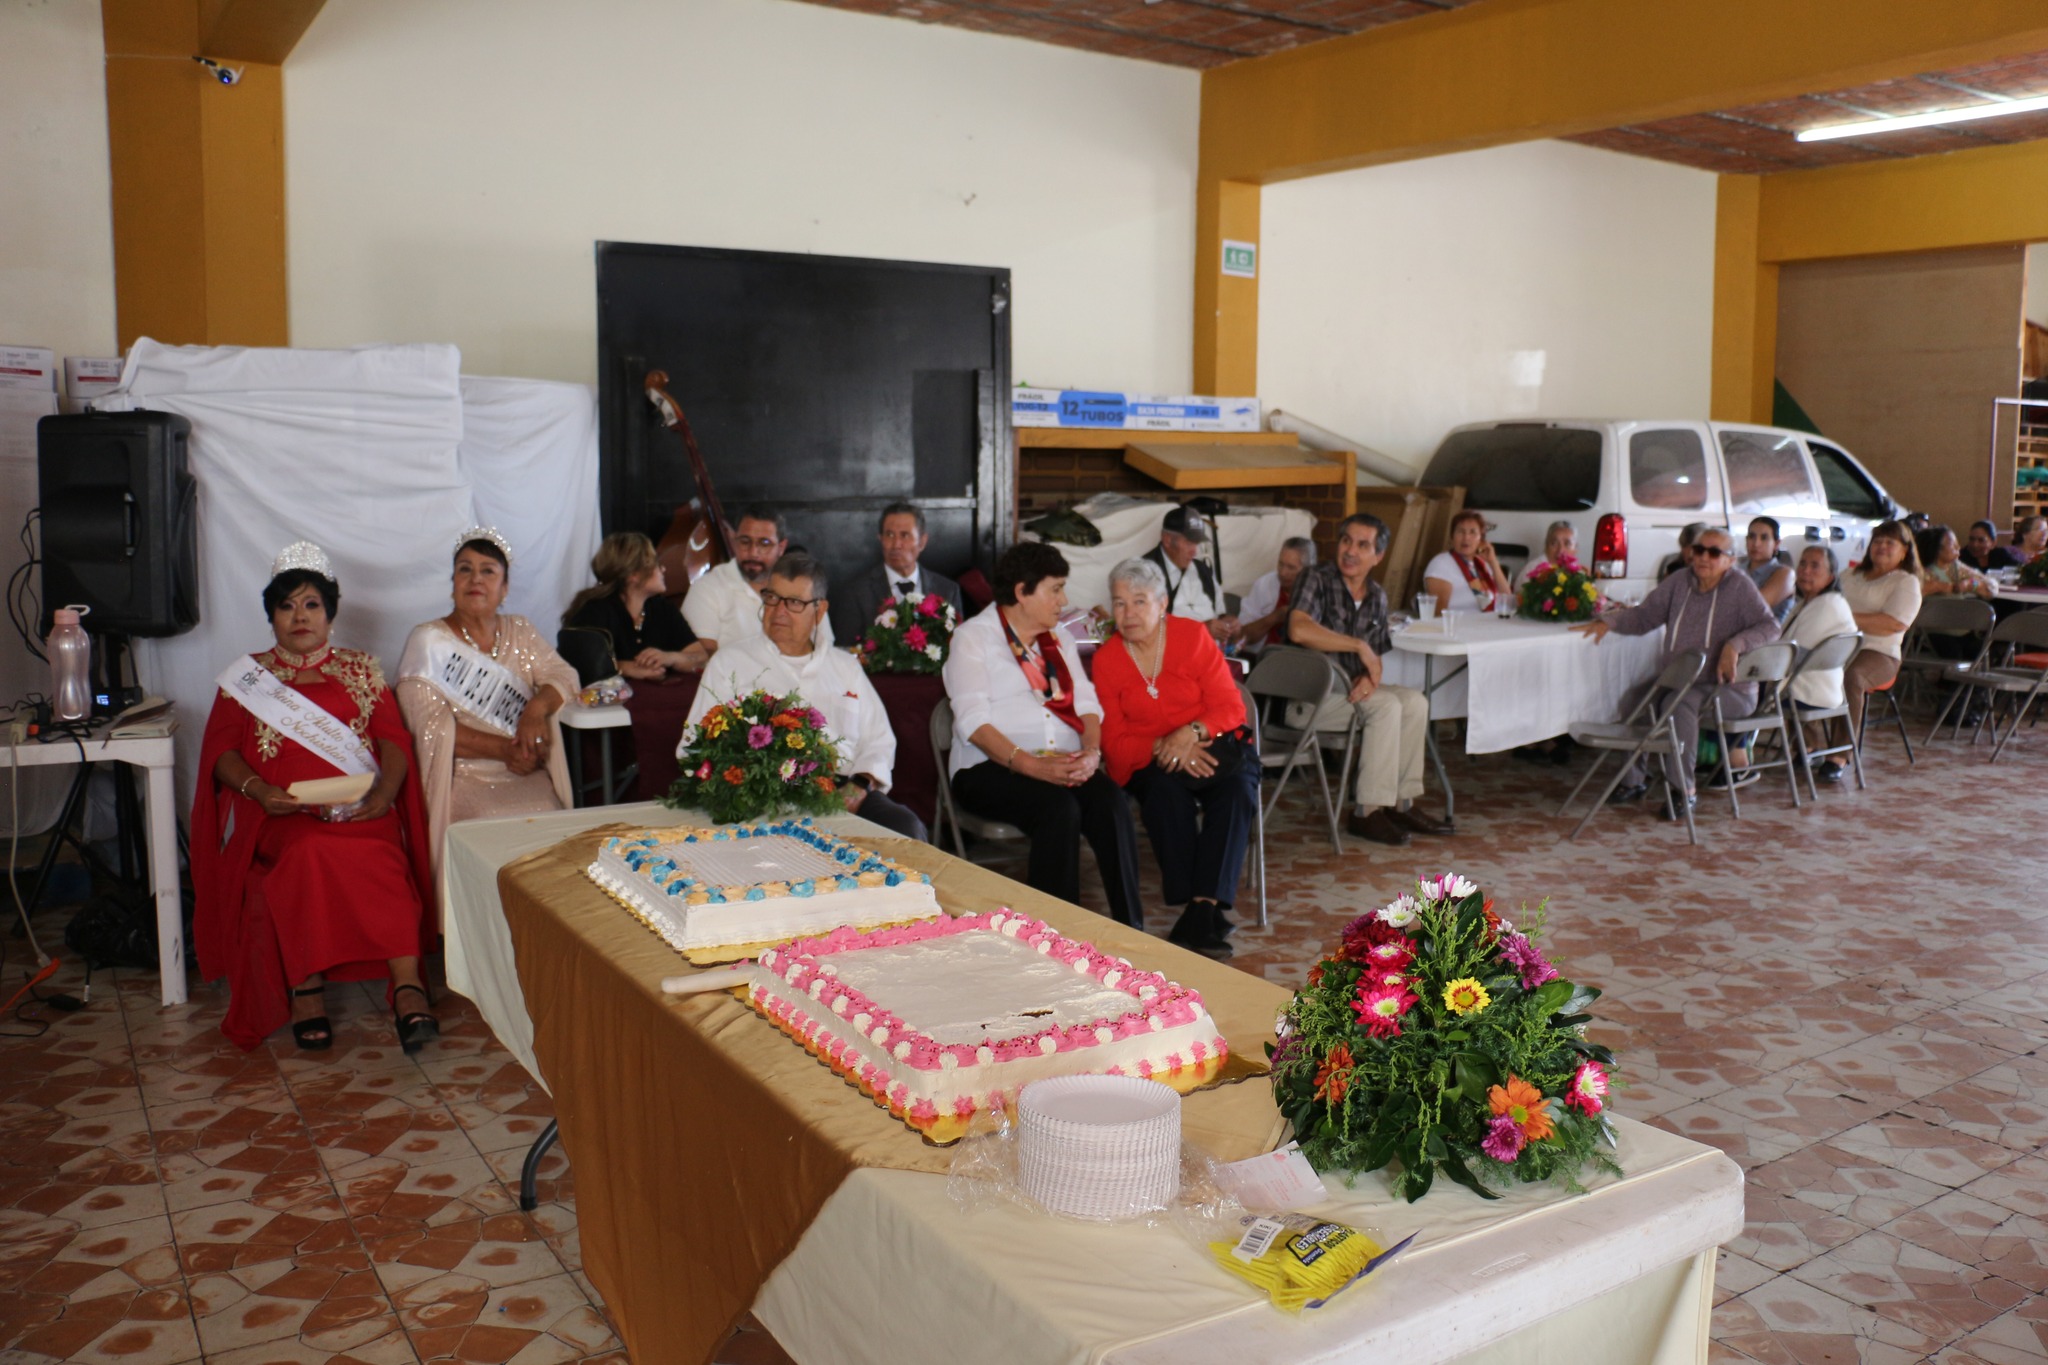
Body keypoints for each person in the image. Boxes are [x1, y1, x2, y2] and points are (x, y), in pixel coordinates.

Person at [191, 542, 436, 1053]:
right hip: (283, 814)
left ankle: (408, 987)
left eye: (311, 605)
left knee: (379, 850)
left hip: (361, 807)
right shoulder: (248, 678)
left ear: (330, 614)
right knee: (306, 850)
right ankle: (307, 989)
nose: (299, 616)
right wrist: (260, 791)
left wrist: (385, 795)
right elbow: (221, 752)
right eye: (287, 606)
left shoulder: (362, 669)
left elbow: (393, 741)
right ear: (271, 616)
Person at [942, 542, 1143, 927]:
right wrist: (1033, 766)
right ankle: (1053, 934)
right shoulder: (974, 638)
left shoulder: (1059, 638)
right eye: (1055, 589)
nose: (1063, 601)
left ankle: (1133, 929)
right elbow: (974, 723)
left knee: (1111, 802)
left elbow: (1086, 703)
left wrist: (1091, 752)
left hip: (1058, 762)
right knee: (1059, 808)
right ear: (1022, 591)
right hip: (988, 768)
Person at [686, 552, 928, 841]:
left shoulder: (845, 668)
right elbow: (693, 744)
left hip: (841, 795)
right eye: (772, 598)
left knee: (906, 827)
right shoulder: (730, 663)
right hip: (762, 799)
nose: (779, 611)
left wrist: (861, 785)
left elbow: (879, 741)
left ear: (819, 610)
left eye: (794, 602)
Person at [1094, 558, 1256, 959]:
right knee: (1164, 795)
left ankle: (1200, 908)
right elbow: (1113, 743)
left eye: (1139, 601)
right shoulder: (1107, 660)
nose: (1128, 613)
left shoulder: (1192, 636)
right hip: (1151, 759)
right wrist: (1164, 746)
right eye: (1119, 603)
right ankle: (1204, 913)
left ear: (1162, 603)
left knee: (1236, 792)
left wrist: (1190, 734)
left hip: (1214, 744)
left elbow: (1231, 706)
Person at [397, 528, 581, 873]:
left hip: (524, 768)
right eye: (465, 569)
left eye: (488, 571)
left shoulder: (520, 630)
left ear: (505, 588)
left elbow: (564, 675)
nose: (475, 579)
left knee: (552, 824)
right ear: (453, 583)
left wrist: (536, 709)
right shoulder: (427, 642)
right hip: (463, 777)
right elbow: (429, 727)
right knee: (490, 827)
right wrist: (506, 751)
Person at [1573, 525, 1780, 817]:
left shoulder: (1739, 587)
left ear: (1730, 560)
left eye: (1714, 552)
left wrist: (1735, 645)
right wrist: (1609, 622)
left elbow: (1771, 627)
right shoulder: (1679, 581)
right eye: (1699, 550)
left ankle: (1684, 790)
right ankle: (1634, 780)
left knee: (1678, 703)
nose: (1703, 557)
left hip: (1729, 689)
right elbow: (1645, 616)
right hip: (1681, 680)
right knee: (1637, 700)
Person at [1288, 512, 1453, 846]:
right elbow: (1298, 629)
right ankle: (1366, 812)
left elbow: (1374, 662)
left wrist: (1369, 678)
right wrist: (1357, 646)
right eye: (1346, 541)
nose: (1350, 551)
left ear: (1378, 556)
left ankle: (1401, 804)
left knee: (1415, 702)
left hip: (1348, 694)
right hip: (1309, 698)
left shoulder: (1376, 595)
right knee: (1386, 706)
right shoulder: (1315, 578)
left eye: (1363, 545)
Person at [1824, 519, 1922, 782]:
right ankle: (1810, 745)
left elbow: (1893, 624)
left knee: (1852, 677)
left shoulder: (1906, 582)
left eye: (1890, 543)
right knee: (1805, 667)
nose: (1882, 546)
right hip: (1838, 645)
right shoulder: (1849, 575)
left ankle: (1840, 754)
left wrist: (1843, 616)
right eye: (1878, 541)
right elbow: (1825, 603)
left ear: (1904, 551)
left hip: (1879, 652)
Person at [682, 504, 833, 656]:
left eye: (764, 543)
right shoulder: (707, 588)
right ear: (734, 541)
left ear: (781, 547)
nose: (753, 552)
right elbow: (700, 659)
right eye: (745, 541)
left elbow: (825, 650)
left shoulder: (803, 587)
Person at [563, 531, 709, 680]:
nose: (663, 569)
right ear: (634, 575)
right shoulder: (593, 611)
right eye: (656, 564)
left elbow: (701, 657)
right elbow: (579, 664)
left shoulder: (663, 609)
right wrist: (625, 668)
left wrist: (671, 657)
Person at [829, 502, 966, 643]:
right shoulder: (856, 594)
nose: (896, 545)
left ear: (922, 542)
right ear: (880, 539)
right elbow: (846, 650)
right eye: (889, 535)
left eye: (905, 535)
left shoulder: (947, 591)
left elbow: (958, 645)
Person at [1779, 544, 1858, 733]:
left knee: (1739, 693)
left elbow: (1791, 654)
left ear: (1830, 577)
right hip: (1815, 688)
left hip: (1806, 692)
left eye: (1815, 566)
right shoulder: (1809, 603)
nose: (1806, 571)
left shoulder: (1827, 605)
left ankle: (1733, 749)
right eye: (1802, 564)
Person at [1143, 505, 1238, 645]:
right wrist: (1201, 630)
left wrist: (1228, 624)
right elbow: (1144, 629)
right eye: (1188, 543)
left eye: (1197, 543)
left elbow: (1220, 613)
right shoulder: (1144, 573)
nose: (1195, 551)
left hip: (1210, 653)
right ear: (1167, 540)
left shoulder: (1203, 571)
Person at [1237, 537, 1313, 652]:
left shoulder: (1320, 591)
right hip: (1263, 658)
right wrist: (1275, 617)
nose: (1283, 573)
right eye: (1281, 564)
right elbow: (1242, 636)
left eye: (1291, 567)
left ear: (1308, 569)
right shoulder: (1264, 585)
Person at [1423, 510, 1507, 614]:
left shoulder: (1483, 564)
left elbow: (1507, 601)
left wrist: (1493, 562)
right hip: (1458, 623)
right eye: (1460, 532)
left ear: (1481, 539)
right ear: (1452, 537)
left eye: (1472, 532)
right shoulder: (1441, 563)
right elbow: (1438, 614)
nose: (1466, 537)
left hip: (1489, 621)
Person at [1741, 516, 1796, 622]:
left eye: (1764, 538)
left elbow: (1754, 607)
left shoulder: (1785, 574)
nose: (1756, 544)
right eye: (1752, 537)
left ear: (1776, 544)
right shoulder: (1737, 569)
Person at [1515, 521, 1580, 590]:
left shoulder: (1579, 573)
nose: (1560, 550)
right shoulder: (1532, 569)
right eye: (1554, 543)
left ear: (1575, 549)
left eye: (1567, 544)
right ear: (1546, 546)